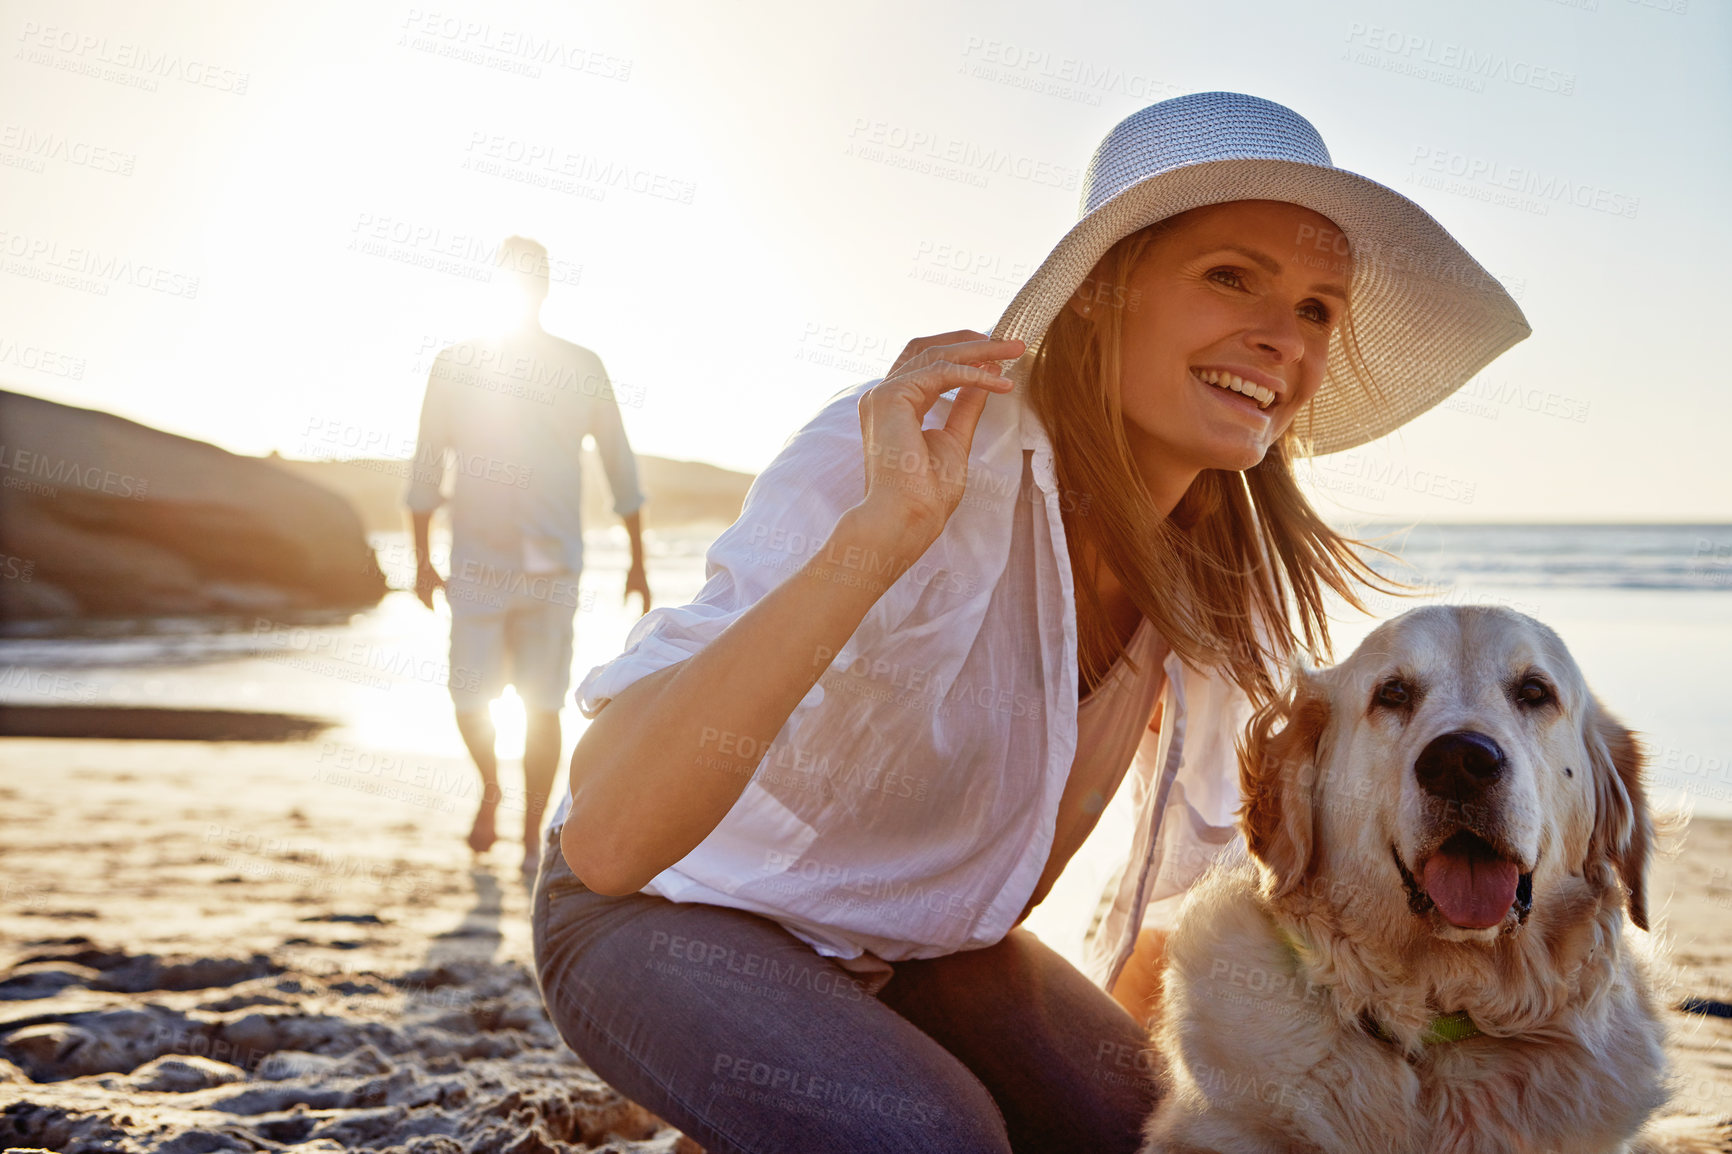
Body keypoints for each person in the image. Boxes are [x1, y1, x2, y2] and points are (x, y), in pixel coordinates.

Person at [531, 93, 1530, 1153]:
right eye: (1231, 276)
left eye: (1319, 309)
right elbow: (607, 840)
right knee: (937, 1138)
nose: (1282, 337)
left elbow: (1177, 913)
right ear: (1102, 292)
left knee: (1171, 1137)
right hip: (664, 913)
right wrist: (879, 535)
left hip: (918, 954)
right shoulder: (909, 453)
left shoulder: (1219, 595)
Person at [405, 234, 651, 881]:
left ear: (546, 285)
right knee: (469, 698)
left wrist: (639, 561)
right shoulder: (456, 364)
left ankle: (529, 827)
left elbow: (619, 464)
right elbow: (429, 460)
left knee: (542, 704)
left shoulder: (582, 364)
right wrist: (420, 558)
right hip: (477, 562)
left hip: (552, 562)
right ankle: (490, 785)